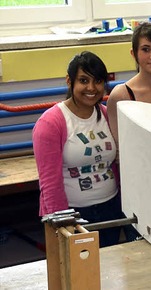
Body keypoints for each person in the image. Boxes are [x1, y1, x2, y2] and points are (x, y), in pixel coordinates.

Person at [33, 51, 125, 247]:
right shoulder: (51, 122)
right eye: (83, 80)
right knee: (79, 274)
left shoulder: (108, 115)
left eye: (98, 81)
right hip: (74, 214)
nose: (91, 88)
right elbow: (49, 183)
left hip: (110, 207)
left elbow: (117, 163)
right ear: (69, 81)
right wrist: (63, 222)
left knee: (109, 269)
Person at [107, 22, 151, 144]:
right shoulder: (121, 95)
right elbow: (120, 148)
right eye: (145, 49)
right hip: (139, 161)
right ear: (134, 53)